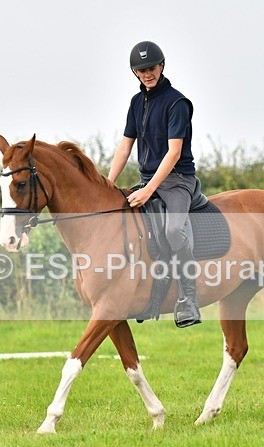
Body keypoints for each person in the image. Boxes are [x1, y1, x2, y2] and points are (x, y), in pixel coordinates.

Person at [107, 41, 202, 328]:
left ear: (161, 66)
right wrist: (108, 185)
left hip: (178, 181)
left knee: (173, 230)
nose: (147, 74)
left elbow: (174, 153)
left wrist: (148, 191)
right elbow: (125, 147)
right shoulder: (136, 103)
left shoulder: (177, 103)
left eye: (151, 68)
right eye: (141, 70)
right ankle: (147, 293)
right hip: (149, 180)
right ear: (134, 72)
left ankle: (189, 299)